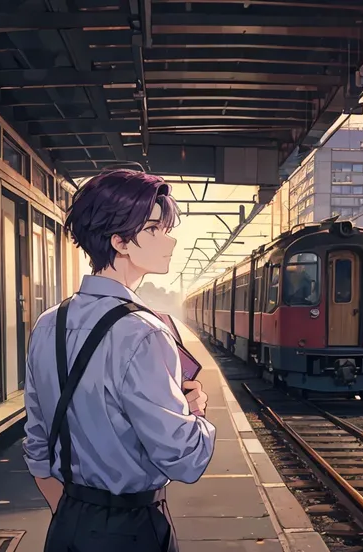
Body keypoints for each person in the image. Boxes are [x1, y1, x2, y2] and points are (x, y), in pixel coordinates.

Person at [23, 169, 217, 552]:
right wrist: (196, 414)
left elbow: (36, 447)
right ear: (120, 242)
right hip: (133, 528)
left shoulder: (48, 323)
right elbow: (185, 460)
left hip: (67, 523)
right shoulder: (146, 333)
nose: (170, 239)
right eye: (155, 229)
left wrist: (71, 514)